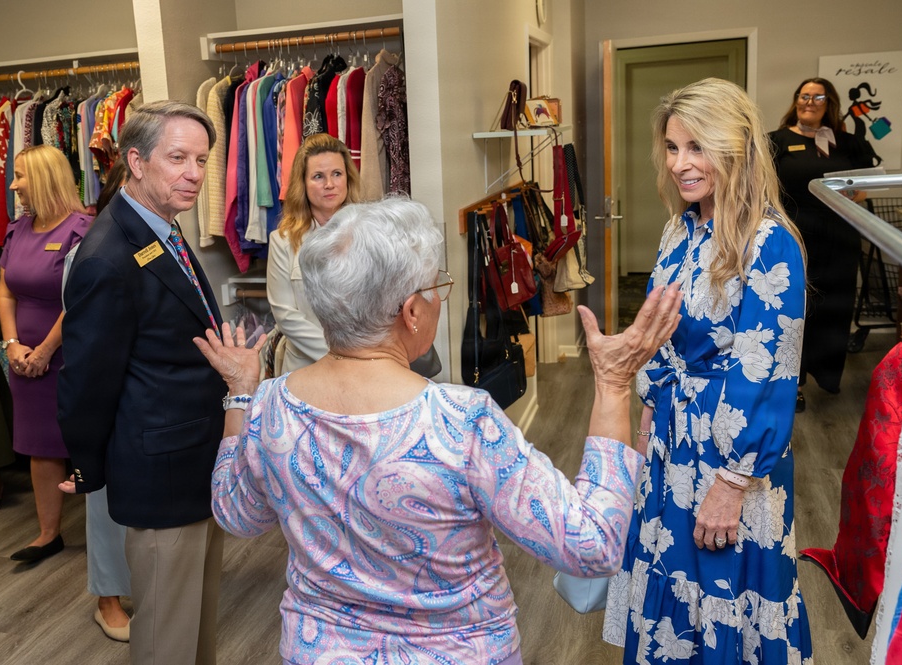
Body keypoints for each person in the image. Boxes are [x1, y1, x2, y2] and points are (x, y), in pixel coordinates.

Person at [194, 197, 683, 665]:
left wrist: (241, 391)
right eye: (436, 289)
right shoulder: (459, 421)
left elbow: (237, 515)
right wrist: (616, 386)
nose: (439, 301)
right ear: (410, 312)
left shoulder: (270, 405)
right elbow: (591, 545)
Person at [601, 78, 812, 663]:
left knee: (724, 593)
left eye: (697, 147)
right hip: (671, 444)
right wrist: (646, 418)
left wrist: (733, 482)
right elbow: (663, 342)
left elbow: (770, 373)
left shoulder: (768, 244)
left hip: (729, 457)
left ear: (736, 147)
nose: (680, 164)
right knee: (671, 587)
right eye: (672, 147)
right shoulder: (680, 230)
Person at [58, 101, 228, 665]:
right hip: (159, 470)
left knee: (196, 619)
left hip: (193, 454)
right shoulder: (108, 255)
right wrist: (86, 464)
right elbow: (86, 380)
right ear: (135, 161)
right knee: (165, 633)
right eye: (178, 158)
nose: (195, 173)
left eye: (201, 160)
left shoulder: (162, 230)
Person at [0, 144, 91, 562]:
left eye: (20, 175)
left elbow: (80, 297)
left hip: (71, 351)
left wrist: (47, 350)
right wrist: (12, 344)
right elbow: (5, 291)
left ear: (44, 178)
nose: (13, 184)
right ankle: (47, 533)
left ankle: (108, 538)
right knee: (40, 444)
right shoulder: (17, 230)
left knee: (86, 441)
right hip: (24, 356)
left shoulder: (80, 230)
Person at [769, 77, 878, 411]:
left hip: (839, 236)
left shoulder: (848, 143)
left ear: (829, 102)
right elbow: (764, 188)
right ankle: (791, 382)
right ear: (796, 100)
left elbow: (867, 187)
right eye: (804, 95)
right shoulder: (777, 141)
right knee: (792, 309)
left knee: (833, 306)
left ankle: (827, 375)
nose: (810, 102)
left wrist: (848, 197)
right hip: (793, 236)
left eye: (818, 97)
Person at [59, 158, 132, 642]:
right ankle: (107, 597)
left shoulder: (155, 244)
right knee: (103, 501)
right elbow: (83, 341)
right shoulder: (93, 252)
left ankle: (131, 584)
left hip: (141, 399)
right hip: (105, 396)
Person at [267, 133, 360, 372]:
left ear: (347, 178)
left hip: (364, 365)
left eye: (337, 174)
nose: (329, 184)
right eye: (318, 176)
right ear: (303, 184)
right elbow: (286, 316)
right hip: (306, 368)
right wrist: (340, 357)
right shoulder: (282, 241)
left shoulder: (369, 234)